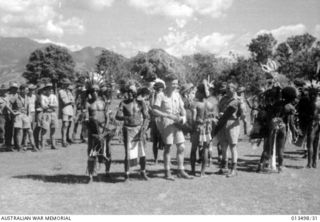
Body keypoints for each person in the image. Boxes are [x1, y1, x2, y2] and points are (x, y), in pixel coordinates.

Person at [152, 73, 193, 180]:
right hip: (166, 123)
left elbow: (182, 108)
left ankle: (181, 170)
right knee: (168, 147)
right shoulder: (161, 95)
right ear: (168, 83)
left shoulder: (177, 95)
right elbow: (154, 110)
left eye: (176, 83)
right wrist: (167, 115)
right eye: (173, 83)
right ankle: (167, 171)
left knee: (181, 146)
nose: (176, 85)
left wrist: (183, 116)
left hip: (177, 123)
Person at [116, 82, 149, 181]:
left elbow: (147, 117)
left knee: (142, 153)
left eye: (131, 92)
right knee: (128, 153)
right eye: (128, 92)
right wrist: (127, 117)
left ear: (135, 93)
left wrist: (143, 128)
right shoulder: (123, 103)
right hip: (128, 129)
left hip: (139, 129)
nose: (129, 94)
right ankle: (126, 174)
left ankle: (143, 172)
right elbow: (117, 115)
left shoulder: (141, 103)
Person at [213, 83, 244, 177]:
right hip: (222, 124)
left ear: (234, 89)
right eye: (226, 88)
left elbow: (243, 115)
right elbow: (217, 108)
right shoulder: (223, 98)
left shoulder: (238, 100)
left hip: (233, 124)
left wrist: (240, 112)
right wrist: (218, 114)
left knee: (233, 147)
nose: (227, 90)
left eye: (229, 88)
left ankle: (234, 169)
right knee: (223, 146)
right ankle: (224, 167)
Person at [86, 84, 114, 183]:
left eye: (96, 90)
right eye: (93, 90)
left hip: (104, 130)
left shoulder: (104, 103)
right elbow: (85, 119)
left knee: (108, 151)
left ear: (99, 92)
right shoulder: (88, 104)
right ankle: (90, 175)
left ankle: (107, 172)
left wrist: (104, 130)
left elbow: (108, 117)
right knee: (92, 152)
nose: (95, 92)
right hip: (93, 131)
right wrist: (91, 127)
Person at [190, 83, 214, 176]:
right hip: (207, 128)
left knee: (193, 149)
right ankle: (202, 172)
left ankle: (192, 171)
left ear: (200, 92)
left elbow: (193, 118)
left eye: (197, 91)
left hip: (197, 128)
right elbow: (212, 117)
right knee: (205, 150)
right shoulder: (209, 104)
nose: (195, 93)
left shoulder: (195, 104)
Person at [11, 84, 36, 151]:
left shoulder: (27, 97)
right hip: (18, 116)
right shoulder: (16, 97)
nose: (27, 91)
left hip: (25, 116)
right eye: (26, 90)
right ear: (22, 90)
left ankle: (33, 146)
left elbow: (28, 108)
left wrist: (29, 116)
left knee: (30, 131)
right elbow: (8, 105)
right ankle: (19, 147)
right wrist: (13, 112)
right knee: (19, 131)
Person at [39, 83, 59, 150]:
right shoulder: (42, 96)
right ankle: (43, 146)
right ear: (46, 89)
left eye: (50, 88)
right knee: (44, 130)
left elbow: (56, 105)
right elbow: (43, 105)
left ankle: (53, 145)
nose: (50, 89)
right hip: (46, 114)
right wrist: (51, 105)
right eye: (48, 88)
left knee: (53, 129)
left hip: (53, 113)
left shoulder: (54, 96)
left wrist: (50, 105)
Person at [150, 82, 165, 164]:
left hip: (161, 119)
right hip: (154, 120)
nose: (155, 89)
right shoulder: (154, 95)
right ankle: (156, 159)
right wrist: (152, 95)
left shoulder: (163, 95)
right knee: (155, 140)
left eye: (156, 88)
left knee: (163, 140)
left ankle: (164, 158)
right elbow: (152, 105)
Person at [58, 78, 75, 147]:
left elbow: (73, 100)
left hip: (70, 109)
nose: (68, 85)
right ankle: (63, 140)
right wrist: (71, 101)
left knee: (69, 125)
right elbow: (65, 101)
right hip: (65, 109)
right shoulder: (61, 91)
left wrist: (71, 101)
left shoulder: (68, 92)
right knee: (65, 125)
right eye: (67, 84)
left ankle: (67, 138)